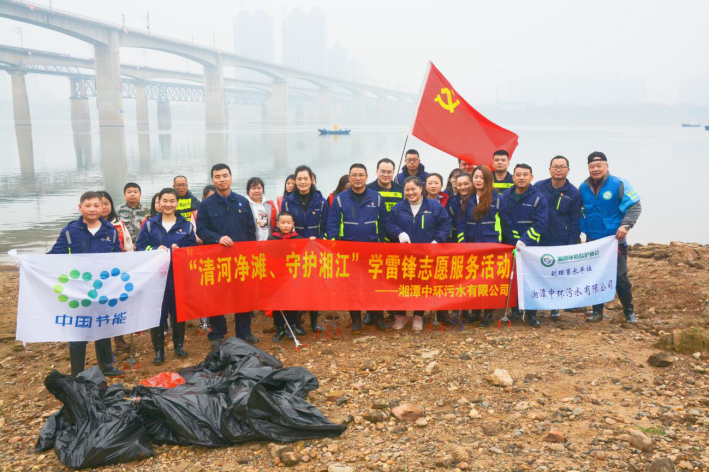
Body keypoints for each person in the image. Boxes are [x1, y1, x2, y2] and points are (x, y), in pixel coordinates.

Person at [48, 191, 124, 378]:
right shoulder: (70, 231)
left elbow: (118, 259)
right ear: (80, 207)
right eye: (88, 205)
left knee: (103, 327)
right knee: (78, 331)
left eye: (96, 205)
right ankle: (77, 372)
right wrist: (29, 262)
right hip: (78, 289)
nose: (92, 209)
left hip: (102, 288)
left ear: (103, 207)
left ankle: (106, 366)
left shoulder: (110, 231)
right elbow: (55, 255)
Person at [196, 163, 259, 349]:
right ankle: (217, 333)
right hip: (217, 259)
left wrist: (250, 252)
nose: (222, 179)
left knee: (243, 295)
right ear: (213, 180)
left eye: (225, 176)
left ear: (231, 178)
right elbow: (201, 229)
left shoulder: (242, 201)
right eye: (217, 176)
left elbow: (250, 229)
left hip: (240, 259)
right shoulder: (206, 205)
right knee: (216, 296)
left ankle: (244, 332)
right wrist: (217, 238)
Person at [135, 188, 197, 364]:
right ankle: (159, 352)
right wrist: (155, 250)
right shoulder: (150, 224)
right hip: (156, 278)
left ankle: (179, 346)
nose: (168, 204)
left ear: (177, 203)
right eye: (165, 201)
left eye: (172, 201)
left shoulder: (186, 225)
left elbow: (193, 249)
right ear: (159, 202)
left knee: (178, 313)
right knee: (157, 314)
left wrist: (181, 251)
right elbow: (140, 247)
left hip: (178, 276)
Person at [326, 163, 389, 333]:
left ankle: (378, 318)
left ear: (367, 177)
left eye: (361, 175)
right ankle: (356, 320)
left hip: (372, 248)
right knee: (352, 286)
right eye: (354, 175)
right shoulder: (340, 199)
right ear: (349, 177)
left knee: (374, 284)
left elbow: (384, 222)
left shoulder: (376, 197)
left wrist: (382, 241)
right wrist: (333, 243)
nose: (358, 178)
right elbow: (332, 224)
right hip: (349, 249)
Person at [580, 151, 641, 324]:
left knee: (620, 277)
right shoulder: (583, 187)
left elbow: (635, 206)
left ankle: (629, 312)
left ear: (607, 166)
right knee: (596, 276)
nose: (595, 169)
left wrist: (626, 225)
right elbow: (579, 209)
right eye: (592, 166)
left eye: (599, 165)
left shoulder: (619, 184)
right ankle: (597, 312)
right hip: (593, 240)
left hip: (614, 240)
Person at [386, 176, 451, 331]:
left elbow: (445, 224)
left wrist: (437, 240)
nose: (410, 192)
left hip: (425, 254)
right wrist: (399, 233)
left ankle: (418, 315)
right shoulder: (398, 208)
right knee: (401, 284)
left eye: (413, 189)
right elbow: (389, 224)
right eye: (407, 190)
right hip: (403, 254)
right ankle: (400, 315)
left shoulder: (435, 207)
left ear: (421, 189)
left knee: (421, 284)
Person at [499, 163, 549, 327]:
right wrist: (514, 240)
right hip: (510, 246)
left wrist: (524, 240)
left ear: (531, 177)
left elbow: (540, 224)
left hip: (532, 247)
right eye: (518, 175)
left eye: (525, 174)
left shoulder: (539, 198)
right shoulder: (505, 196)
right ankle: (515, 311)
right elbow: (505, 221)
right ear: (513, 177)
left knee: (532, 279)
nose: (521, 178)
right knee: (513, 279)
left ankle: (532, 314)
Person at [281, 165, 330, 332]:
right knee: (296, 286)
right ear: (295, 181)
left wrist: (319, 240)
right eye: (299, 179)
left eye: (306, 179)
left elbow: (326, 226)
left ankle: (314, 322)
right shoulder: (288, 201)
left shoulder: (320, 201)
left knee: (314, 286)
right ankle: (297, 323)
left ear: (312, 180)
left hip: (314, 249)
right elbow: (283, 224)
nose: (303, 182)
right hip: (294, 249)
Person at [534, 156, 582, 320]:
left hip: (560, 238)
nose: (558, 169)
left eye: (562, 166)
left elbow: (575, 221)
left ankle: (555, 307)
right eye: (555, 166)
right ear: (549, 169)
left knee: (557, 274)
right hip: (539, 237)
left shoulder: (573, 193)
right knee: (538, 272)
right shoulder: (539, 186)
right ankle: (535, 305)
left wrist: (571, 243)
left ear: (568, 170)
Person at [464, 165, 503, 327]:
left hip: (490, 243)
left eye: (482, 177)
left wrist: (503, 244)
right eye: (476, 177)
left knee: (488, 280)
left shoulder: (497, 198)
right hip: (471, 243)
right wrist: (462, 243)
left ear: (488, 179)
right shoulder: (468, 198)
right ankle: (475, 312)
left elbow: (505, 222)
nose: (478, 180)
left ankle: (488, 313)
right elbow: (461, 223)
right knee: (473, 279)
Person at [97, 190, 133, 353]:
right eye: (100, 204)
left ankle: (119, 339)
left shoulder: (119, 225)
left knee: (117, 305)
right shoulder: (88, 226)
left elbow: (128, 247)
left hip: (117, 272)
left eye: (107, 204)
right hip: (96, 274)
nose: (104, 207)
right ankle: (102, 340)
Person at [267, 211, 304, 342]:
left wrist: (311, 242)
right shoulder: (272, 239)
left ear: (293, 224)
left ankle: (290, 327)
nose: (286, 225)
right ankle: (279, 328)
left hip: (293, 278)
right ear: (277, 224)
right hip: (277, 278)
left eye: (288, 223)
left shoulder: (299, 239)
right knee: (278, 303)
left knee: (292, 303)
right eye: (283, 223)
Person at [246, 177, 277, 243]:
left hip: (269, 243)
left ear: (263, 190)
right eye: (253, 188)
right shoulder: (245, 206)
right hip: (251, 243)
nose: (256, 191)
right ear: (248, 190)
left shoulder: (270, 206)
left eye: (259, 188)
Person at [117, 182, 147, 247]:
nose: (132, 194)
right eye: (129, 192)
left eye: (135, 192)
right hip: (125, 246)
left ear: (140, 194)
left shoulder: (147, 210)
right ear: (124, 195)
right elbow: (117, 230)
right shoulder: (118, 210)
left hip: (143, 246)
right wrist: (128, 244)